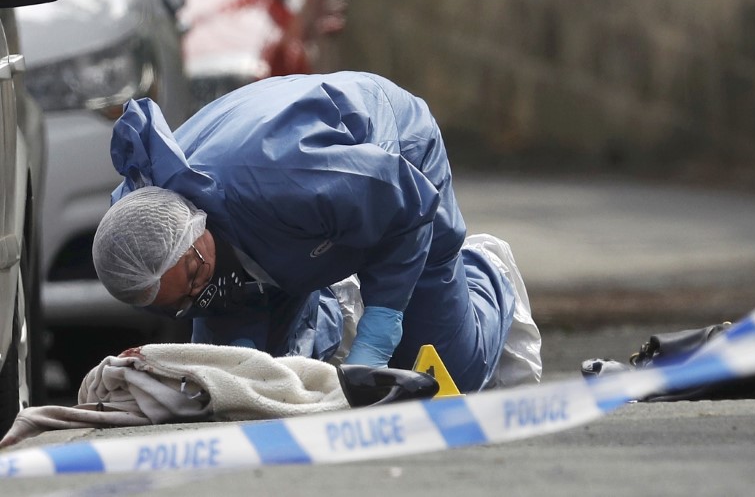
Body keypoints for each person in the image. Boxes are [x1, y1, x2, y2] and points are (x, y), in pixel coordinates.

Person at [92, 71, 541, 393]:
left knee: (448, 375)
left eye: (195, 276)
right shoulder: (144, 235)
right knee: (248, 387)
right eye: (182, 303)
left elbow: (409, 201)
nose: (203, 297)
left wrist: (378, 333)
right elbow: (207, 301)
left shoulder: (288, 179)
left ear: (194, 222)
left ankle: (485, 272)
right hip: (271, 220)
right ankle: (332, 297)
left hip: (396, 166)